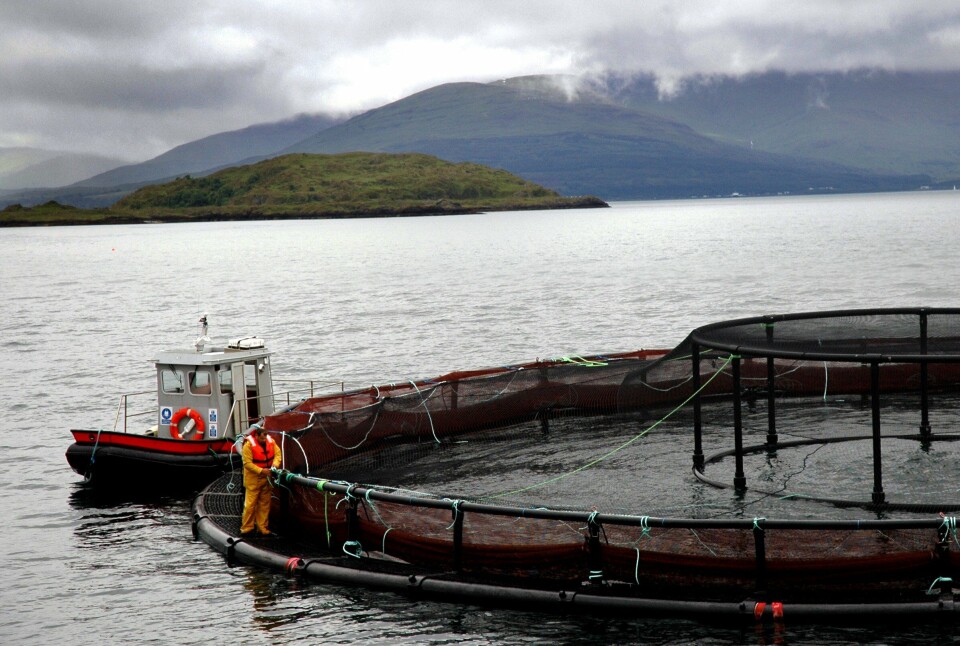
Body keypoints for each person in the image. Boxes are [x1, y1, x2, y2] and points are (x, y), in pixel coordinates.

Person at [240, 422, 282, 537]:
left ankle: (262, 527)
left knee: (265, 504)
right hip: (253, 480)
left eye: (265, 438)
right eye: (261, 438)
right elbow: (247, 463)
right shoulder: (248, 446)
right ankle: (247, 528)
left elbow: (278, 455)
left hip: (267, 479)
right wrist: (261, 471)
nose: (263, 440)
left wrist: (274, 466)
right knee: (250, 505)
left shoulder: (271, 442)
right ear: (256, 436)